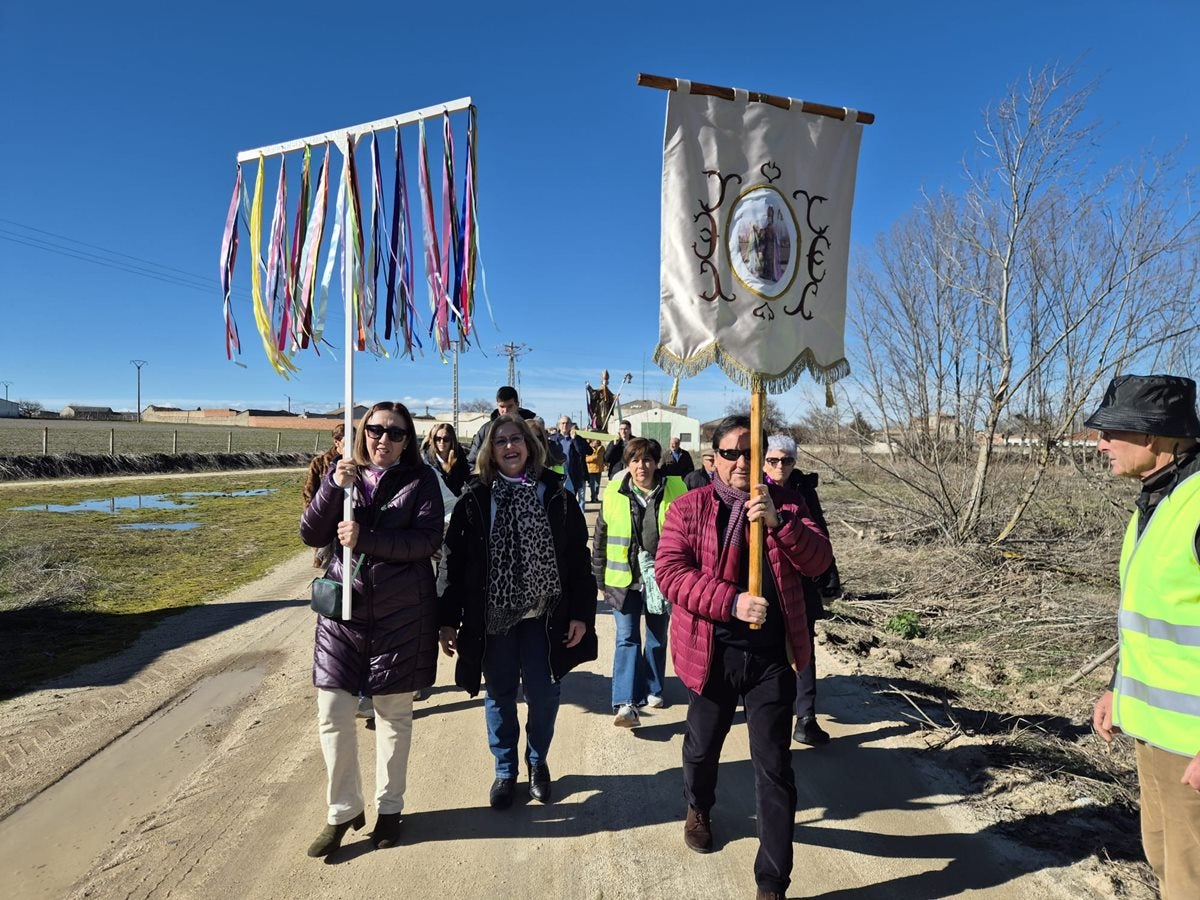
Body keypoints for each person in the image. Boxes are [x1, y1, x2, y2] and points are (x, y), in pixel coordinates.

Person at [655, 414, 833, 900]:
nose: (741, 462)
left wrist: (779, 522)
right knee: (701, 748)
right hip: (711, 655)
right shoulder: (689, 508)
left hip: (772, 659)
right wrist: (730, 602)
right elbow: (669, 572)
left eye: (751, 452)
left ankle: (772, 882)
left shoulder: (789, 503)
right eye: (731, 453)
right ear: (713, 459)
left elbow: (820, 561)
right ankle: (699, 805)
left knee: (774, 768)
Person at [299, 401, 444, 856]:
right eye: (377, 430)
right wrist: (331, 487)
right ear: (363, 432)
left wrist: (369, 539)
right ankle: (342, 811)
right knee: (333, 712)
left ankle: (389, 809)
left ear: (408, 441)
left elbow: (427, 541)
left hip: (402, 617)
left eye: (396, 433)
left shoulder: (421, 482)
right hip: (344, 614)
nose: (384, 439)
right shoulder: (344, 477)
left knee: (393, 717)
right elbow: (310, 533)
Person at [438, 414, 598, 810]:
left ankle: (537, 762)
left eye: (516, 439)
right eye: (501, 441)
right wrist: (446, 618)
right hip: (493, 621)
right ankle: (505, 770)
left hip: (545, 619)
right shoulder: (475, 499)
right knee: (500, 694)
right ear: (490, 452)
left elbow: (578, 558)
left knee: (544, 695)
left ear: (530, 446)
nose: (510, 446)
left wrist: (581, 613)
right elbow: (452, 563)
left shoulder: (556, 495)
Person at [1088, 374, 1200, 899]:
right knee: (1161, 861)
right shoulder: (1156, 502)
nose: (1100, 443)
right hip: (1153, 732)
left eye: (1110, 431)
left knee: (1191, 879)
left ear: (1151, 435)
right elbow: (1144, 620)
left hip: (1192, 746)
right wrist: (1117, 687)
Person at [594, 437, 687, 726]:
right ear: (627, 463)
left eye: (647, 460)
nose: (641, 466)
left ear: (657, 462)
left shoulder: (677, 489)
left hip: (662, 579)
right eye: (634, 460)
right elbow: (601, 537)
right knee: (627, 638)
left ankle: (654, 688)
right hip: (624, 579)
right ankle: (625, 702)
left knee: (658, 640)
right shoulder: (615, 492)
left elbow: (690, 537)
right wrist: (599, 576)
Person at [763, 434, 842, 745]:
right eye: (773, 460)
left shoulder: (803, 490)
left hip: (802, 581)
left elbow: (819, 533)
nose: (780, 465)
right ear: (763, 461)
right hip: (768, 582)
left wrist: (829, 577)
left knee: (803, 648)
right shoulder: (753, 490)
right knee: (771, 650)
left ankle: (806, 718)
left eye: (786, 460)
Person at [303, 423, 348, 568]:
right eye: (349, 441)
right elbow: (309, 494)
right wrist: (316, 519)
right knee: (328, 566)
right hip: (327, 522)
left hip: (348, 523)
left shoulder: (359, 462)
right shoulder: (320, 463)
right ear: (337, 442)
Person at [466, 386, 537, 468]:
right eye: (502, 407)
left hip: (528, 477)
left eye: (510, 406)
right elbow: (473, 461)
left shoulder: (532, 427)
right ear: (497, 405)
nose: (505, 411)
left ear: (517, 404)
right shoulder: (486, 430)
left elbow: (543, 456)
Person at [550, 416, 592, 510]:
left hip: (576, 474)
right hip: (559, 474)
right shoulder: (553, 439)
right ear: (559, 425)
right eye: (562, 423)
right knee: (562, 501)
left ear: (571, 425)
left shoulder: (578, 438)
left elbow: (584, 452)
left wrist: (575, 439)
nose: (565, 425)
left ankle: (580, 522)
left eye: (567, 423)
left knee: (579, 501)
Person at [421, 422, 471, 497]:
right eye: (438, 439)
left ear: (452, 440)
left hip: (455, 502)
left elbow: (464, 480)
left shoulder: (460, 457)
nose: (442, 442)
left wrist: (451, 471)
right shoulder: (426, 459)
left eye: (446, 439)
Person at [585, 439, 605, 503]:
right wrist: (593, 457)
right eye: (595, 441)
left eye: (597, 441)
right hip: (591, 470)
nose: (596, 442)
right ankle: (593, 498)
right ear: (592, 442)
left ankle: (596, 497)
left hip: (599, 469)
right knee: (592, 485)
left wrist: (605, 464)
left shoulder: (602, 449)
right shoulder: (588, 448)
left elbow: (604, 457)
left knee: (597, 485)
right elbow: (585, 459)